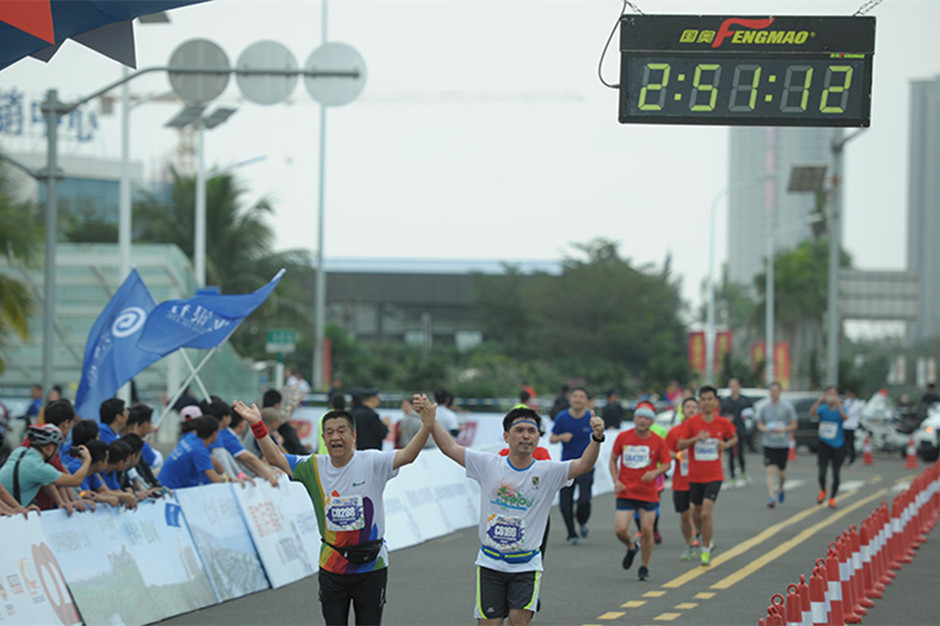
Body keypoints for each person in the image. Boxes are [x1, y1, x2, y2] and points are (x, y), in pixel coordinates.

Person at [232, 394, 436, 626]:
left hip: (372, 566)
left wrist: (428, 425)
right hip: (333, 566)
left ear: (353, 435)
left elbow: (407, 456)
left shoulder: (373, 462)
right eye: (329, 433)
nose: (335, 437)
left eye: (341, 431)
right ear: (323, 438)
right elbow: (275, 458)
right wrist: (257, 425)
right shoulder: (313, 467)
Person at [425, 398, 604, 625]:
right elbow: (450, 448)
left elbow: (584, 465)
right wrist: (431, 422)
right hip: (491, 563)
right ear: (506, 436)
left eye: (531, 431)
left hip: (526, 565)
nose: (526, 435)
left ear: (539, 437)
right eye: (519, 430)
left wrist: (597, 438)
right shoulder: (488, 464)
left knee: (518, 623)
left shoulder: (548, 471)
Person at [676, 385, 737, 567]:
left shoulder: (722, 423)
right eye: (703, 399)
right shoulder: (692, 423)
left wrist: (724, 445)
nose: (707, 402)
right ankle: (702, 537)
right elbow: (680, 444)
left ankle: (705, 549)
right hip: (695, 477)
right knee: (696, 514)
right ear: (699, 402)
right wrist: (696, 439)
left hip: (714, 475)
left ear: (716, 402)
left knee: (705, 513)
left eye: (710, 399)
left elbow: (734, 437)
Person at [610, 401, 670, 581]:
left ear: (652, 422)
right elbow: (613, 460)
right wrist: (616, 481)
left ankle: (644, 566)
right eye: (639, 417)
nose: (642, 420)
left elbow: (667, 463)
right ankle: (631, 547)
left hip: (647, 492)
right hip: (626, 490)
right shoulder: (623, 437)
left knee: (647, 530)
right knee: (620, 530)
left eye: (646, 418)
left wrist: (654, 472)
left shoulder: (657, 441)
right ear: (634, 418)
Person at [0, 425, 91, 507]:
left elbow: (45, 481)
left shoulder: (20, 452)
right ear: (49, 448)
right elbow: (75, 480)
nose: (57, 453)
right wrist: (87, 461)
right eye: (57, 448)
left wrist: (60, 502)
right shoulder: (38, 467)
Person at [550, 386, 596, 544]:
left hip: (586, 465)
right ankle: (571, 533)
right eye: (575, 396)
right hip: (567, 466)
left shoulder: (590, 418)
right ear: (570, 399)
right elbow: (552, 438)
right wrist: (561, 437)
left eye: (581, 397)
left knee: (584, 500)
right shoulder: (562, 417)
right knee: (565, 502)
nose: (577, 399)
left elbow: (599, 437)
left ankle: (582, 522)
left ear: (586, 400)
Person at [665, 397, 699, 560]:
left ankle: (701, 535)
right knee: (685, 515)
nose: (691, 410)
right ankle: (688, 543)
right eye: (688, 407)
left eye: (694, 407)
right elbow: (665, 452)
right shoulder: (675, 432)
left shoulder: (703, 431)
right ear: (683, 410)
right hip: (681, 480)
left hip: (700, 478)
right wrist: (678, 455)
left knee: (698, 511)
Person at [158, 416, 233, 489]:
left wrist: (224, 473)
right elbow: (215, 479)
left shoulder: (190, 437)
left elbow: (212, 459)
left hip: (162, 483)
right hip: (171, 490)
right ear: (214, 434)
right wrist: (226, 478)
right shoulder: (199, 450)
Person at [756, 382, 797, 508]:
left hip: (782, 444)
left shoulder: (787, 407)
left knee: (782, 473)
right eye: (771, 391)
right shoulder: (765, 408)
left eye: (775, 391)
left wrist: (783, 429)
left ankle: (781, 487)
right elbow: (760, 423)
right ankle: (771, 496)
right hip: (769, 443)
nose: (773, 393)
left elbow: (794, 424)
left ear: (780, 392)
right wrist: (764, 428)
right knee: (770, 470)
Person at [810, 386, 847, 509]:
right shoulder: (823, 408)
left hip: (838, 444)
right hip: (824, 443)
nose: (831, 397)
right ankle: (823, 490)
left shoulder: (841, 408)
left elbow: (845, 417)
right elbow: (812, 413)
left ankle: (832, 498)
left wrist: (838, 405)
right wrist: (819, 401)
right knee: (822, 472)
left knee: (836, 473)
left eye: (834, 394)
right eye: (829, 394)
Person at [720, 378, 753, 482]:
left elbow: (752, 411)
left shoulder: (745, 400)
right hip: (729, 431)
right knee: (730, 454)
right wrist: (726, 418)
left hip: (741, 429)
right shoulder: (726, 401)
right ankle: (732, 477)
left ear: (739, 386)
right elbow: (721, 415)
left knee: (740, 453)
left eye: (735, 385)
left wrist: (747, 416)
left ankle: (743, 471)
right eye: (731, 386)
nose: (733, 388)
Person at [842, 388, 862, 466]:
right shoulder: (847, 402)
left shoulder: (857, 404)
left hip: (852, 425)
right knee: (843, 444)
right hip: (845, 425)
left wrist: (844, 412)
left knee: (850, 444)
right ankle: (843, 458)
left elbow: (849, 413)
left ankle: (852, 459)